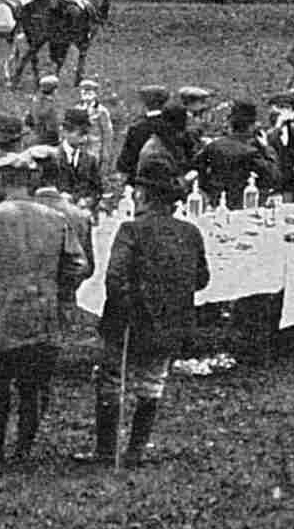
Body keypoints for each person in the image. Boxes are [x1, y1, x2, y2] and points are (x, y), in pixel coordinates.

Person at [0, 153, 94, 466]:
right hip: (41, 314)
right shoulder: (55, 219)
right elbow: (79, 264)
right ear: (32, 181)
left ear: (2, 181)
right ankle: (23, 452)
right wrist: (52, 284)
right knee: (32, 387)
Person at [83, 169, 208, 467]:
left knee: (112, 381)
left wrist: (132, 309)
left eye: (139, 192)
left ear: (147, 197)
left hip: (129, 324)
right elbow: (202, 278)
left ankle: (106, 451)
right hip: (170, 324)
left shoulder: (130, 230)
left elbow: (114, 279)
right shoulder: (190, 232)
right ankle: (135, 451)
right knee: (153, 383)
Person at [190, 100, 280, 205]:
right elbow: (274, 176)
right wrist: (267, 147)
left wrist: (207, 187)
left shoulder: (214, 146)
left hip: (217, 201)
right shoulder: (251, 152)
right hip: (244, 203)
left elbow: (195, 167)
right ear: (252, 126)